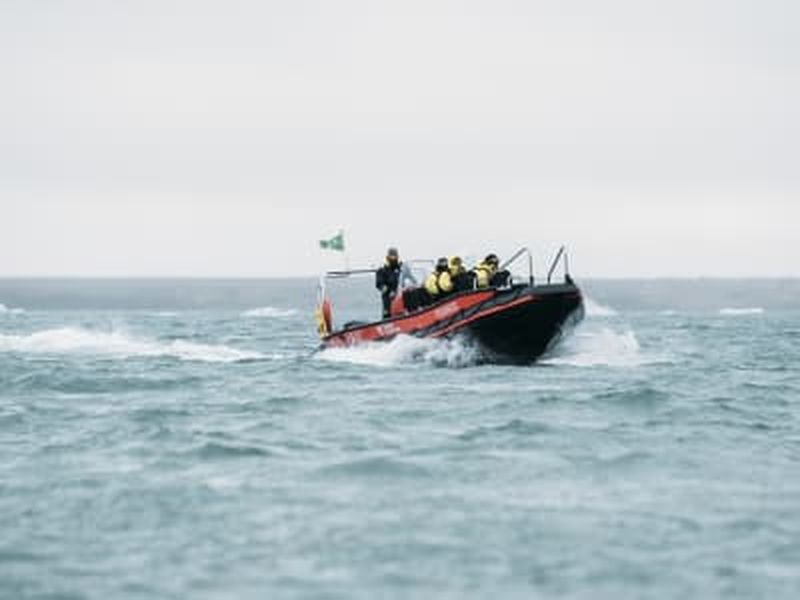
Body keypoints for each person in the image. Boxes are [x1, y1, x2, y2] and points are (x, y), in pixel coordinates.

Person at [375, 247, 415, 318]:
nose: (394, 257)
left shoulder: (401, 268)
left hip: (401, 294)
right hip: (389, 296)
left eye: (395, 256)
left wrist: (413, 285)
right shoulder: (382, 270)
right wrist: (388, 290)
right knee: (387, 313)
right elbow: (379, 284)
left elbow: (411, 278)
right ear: (387, 257)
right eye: (392, 256)